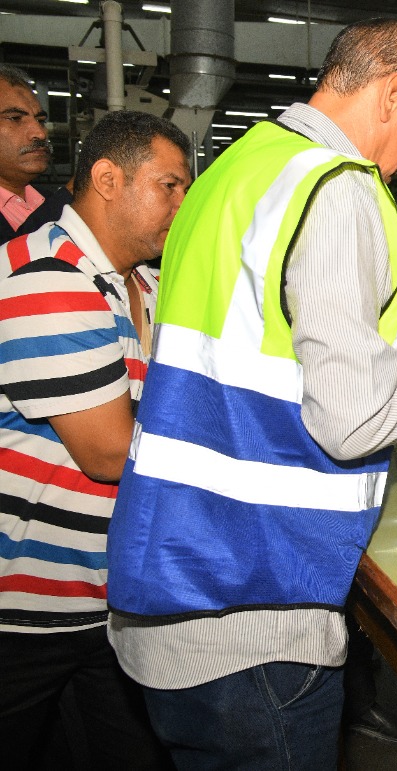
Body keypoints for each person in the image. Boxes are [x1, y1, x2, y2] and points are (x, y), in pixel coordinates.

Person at [104, 19, 397, 768]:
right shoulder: (339, 187)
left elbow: (257, 325)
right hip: (252, 603)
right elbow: (352, 421)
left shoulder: (238, 168)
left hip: (166, 577)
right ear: (391, 93)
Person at [0, 109, 189, 769]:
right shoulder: (48, 275)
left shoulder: (148, 284)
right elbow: (110, 451)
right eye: (169, 186)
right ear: (108, 179)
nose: (182, 205)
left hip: (105, 598)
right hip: (26, 607)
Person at [0, 65, 72, 244]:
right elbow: (12, 257)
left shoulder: (49, 201)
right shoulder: (59, 205)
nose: (40, 133)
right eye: (15, 118)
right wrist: (73, 193)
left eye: (40, 120)